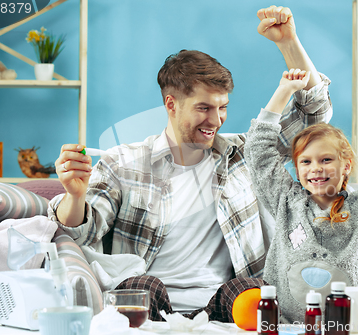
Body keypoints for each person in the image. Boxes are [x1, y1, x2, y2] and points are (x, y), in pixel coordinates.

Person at [48, 6, 332, 322]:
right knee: (139, 286)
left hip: (223, 305)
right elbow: (81, 234)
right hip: (151, 302)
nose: (216, 120)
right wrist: (74, 196)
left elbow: (313, 115)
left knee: (252, 290)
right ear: (171, 104)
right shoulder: (122, 163)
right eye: (203, 108)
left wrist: (288, 43)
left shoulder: (246, 153)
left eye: (222, 107)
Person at [245, 61, 358, 325]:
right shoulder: (285, 202)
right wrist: (283, 91)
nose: (316, 169)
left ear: (345, 165)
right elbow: (258, 154)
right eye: (306, 161)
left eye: (326, 160)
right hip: (291, 326)